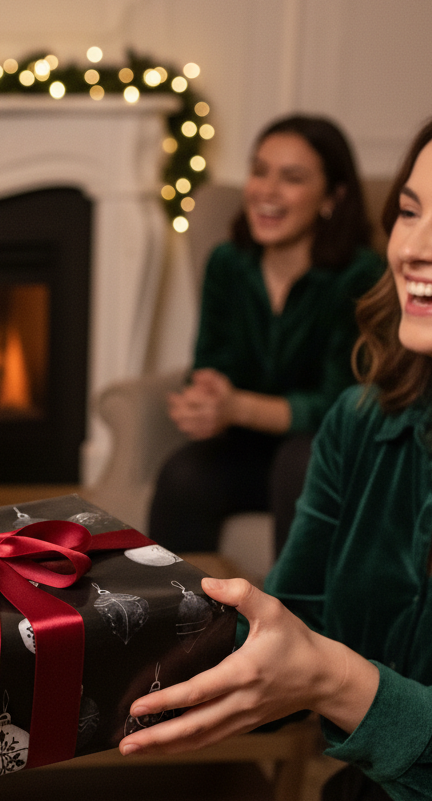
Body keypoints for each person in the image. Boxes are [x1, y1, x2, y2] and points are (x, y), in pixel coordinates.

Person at [120, 110, 432, 801]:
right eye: (411, 210)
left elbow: (323, 667)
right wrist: (65, 625)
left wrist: (340, 682)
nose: (416, 246)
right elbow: (291, 615)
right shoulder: (364, 423)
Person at [148, 115, 383, 558]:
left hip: (327, 454)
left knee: (301, 461)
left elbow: (341, 404)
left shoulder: (361, 274)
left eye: (291, 178)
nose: (266, 191)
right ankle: (168, 619)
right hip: (251, 452)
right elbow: (211, 361)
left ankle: (294, 621)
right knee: (183, 473)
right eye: (259, 171)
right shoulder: (228, 263)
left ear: (333, 197)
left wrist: (239, 406)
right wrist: (207, 395)